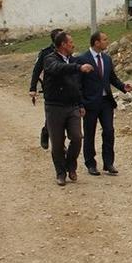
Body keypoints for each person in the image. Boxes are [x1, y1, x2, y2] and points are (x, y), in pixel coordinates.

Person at [77, 31, 132, 176]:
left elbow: (112, 78)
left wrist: (123, 87)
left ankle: (108, 163)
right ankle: (91, 164)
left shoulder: (107, 59)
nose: (107, 42)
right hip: (90, 103)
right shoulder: (82, 59)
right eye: (104, 40)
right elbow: (78, 84)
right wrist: (81, 103)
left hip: (106, 101)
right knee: (89, 133)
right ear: (96, 42)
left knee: (109, 131)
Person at [43, 31, 93, 186]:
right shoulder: (50, 59)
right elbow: (58, 68)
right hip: (54, 107)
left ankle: (71, 165)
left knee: (77, 137)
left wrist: (80, 104)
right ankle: (60, 172)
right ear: (63, 45)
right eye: (71, 42)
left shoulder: (73, 60)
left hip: (72, 107)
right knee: (57, 143)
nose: (73, 44)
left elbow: (77, 86)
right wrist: (78, 68)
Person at [29, 28, 63, 150]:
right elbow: (36, 70)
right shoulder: (45, 53)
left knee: (64, 115)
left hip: (66, 88)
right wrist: (33, 88)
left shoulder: (66, 51)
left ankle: (60, 143)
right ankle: (46, 131)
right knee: (53, 115)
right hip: (50, 89)